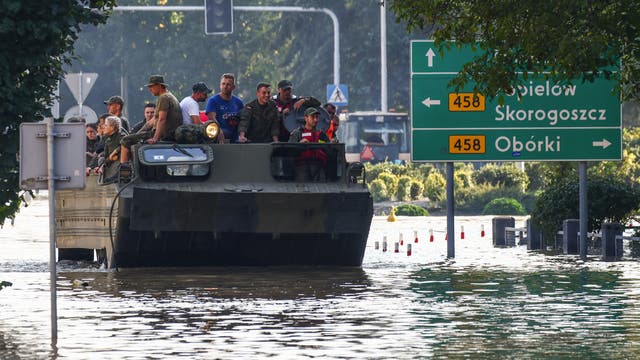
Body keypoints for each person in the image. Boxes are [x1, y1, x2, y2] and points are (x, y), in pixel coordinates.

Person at [119, 75, 182, 163]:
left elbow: (161, 119)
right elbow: (150, 123)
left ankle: (124, 170)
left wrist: (155, 138)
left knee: (125, 141)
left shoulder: (164, 98)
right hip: (169, 133)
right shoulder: (169, 96)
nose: (150, 89)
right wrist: (137, 134)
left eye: (152, 86)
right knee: (131, 138)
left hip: (165, 135)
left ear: (159, 85)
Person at [289, 107, 331, 181]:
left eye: (317, 117)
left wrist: (332, 144)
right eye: (312, 117)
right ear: (306, 118)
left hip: (319, 166)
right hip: (302, 167)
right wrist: (300, 144)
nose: (315, 120)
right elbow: (289, 151)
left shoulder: (321, 134)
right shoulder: (298, 133)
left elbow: (329, 150)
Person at [205, 73, 244, 142]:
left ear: (233, 87)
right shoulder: (213, 101)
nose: (225, 86)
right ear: (220, 85)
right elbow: (212, 119)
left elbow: (243, 120)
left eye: (228, 84)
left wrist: (242, 134)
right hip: (219, 133)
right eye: (223, 84)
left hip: (235, 133)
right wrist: (219, 131)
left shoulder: (238, 102)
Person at [97, 115, 122, 183]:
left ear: (112, 127)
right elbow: (106, 156)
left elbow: (124, 145)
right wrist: (103, 165)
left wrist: (115, 152)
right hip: (112, 163)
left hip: (120, 163)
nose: (103, 127)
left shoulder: (121, 136)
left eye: (106, 125)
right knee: (101, 160)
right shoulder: (108, 140)